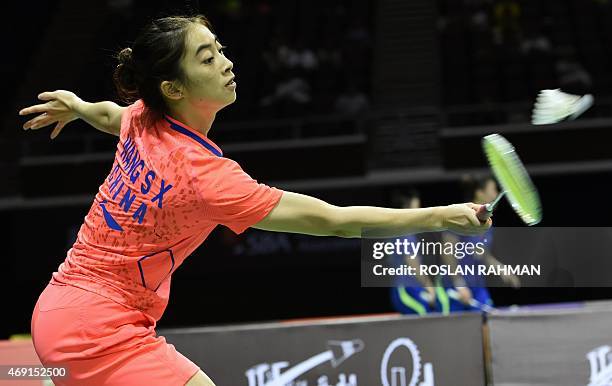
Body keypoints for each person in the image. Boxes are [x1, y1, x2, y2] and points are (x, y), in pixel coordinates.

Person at [19, 15, 491, 386]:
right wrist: (439, 215)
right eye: (206, 58)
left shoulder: (145, 119)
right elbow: (334, 221)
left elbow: (111, 115)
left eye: (220, 49)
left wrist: (79, 107)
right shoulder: (207, 177)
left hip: (58, 309)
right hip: (98, 330)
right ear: (173, 88)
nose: (226, 62)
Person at [439, 175, 519, 313]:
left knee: (490, 323)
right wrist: (459, 285)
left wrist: (501, 269)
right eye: (493, 190)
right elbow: (447, 253)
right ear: (479, 193)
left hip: (476, 287)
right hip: (453, 288)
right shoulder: (461, 217)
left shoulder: (488, 225)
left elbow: (482, 255)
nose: (496, 194)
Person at [388, 189, 438, 316]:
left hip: (413, 288)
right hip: (406, 289)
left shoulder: (396, 229)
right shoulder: (405, 232)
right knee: (423, 315)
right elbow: (412, 262)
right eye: (417, 208)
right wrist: (429, 286)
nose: (420, 212)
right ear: (406, 208)